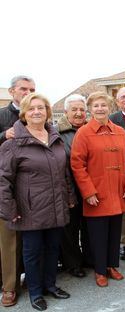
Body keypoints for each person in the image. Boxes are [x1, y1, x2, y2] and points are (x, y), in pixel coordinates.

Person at [0, 93, 71, 311]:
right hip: (29, 209)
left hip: (56, 206)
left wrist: (70, 198)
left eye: (41, 108)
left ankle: (50, 284)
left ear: (48, 111)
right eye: (31, 109)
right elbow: (3, 180)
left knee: (52, 248)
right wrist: (9, 209)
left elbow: (64, 173)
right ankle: (35, 292)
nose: (36, 112)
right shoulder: (13, 144)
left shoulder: (55, 138)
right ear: (24, 113)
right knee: (32, 252)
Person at [71, 91, 125, 287]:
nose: (100, 109)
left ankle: (111, 266)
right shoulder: (83, 133)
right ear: (90, 109)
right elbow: (77, 164)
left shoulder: (120, 131)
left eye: (103, 105)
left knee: (114, 231)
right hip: (97, 193)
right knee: (97, 235)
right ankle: (100, 270)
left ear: (110, 108)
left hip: (118, 191)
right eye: (96, 106)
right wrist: (88, 192)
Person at [0, 75, 35, 307]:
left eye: (32, 89)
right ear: (12, 91)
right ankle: (9, 287)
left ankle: (32, 280)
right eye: (24, 88)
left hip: (34, 186)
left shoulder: (38, 113)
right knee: (9, 237)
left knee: (30, 237)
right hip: (8, 184)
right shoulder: (3, 116)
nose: (28, 92)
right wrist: (4, 135)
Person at [56, 94, 89, 278]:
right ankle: (73, 263)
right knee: (70, 228)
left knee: (89, 226)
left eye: (82, 110)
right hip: (70, 188)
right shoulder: (57, 133)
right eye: (74, 109)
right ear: (66, 111)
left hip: (91, 187)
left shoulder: (92, 129)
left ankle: (89, 258)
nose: (78, 113)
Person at [109, 87, 125, 260]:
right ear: (118, 102)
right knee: (124, 210)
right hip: (122, 170)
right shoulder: (113, 120)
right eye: (123, 97)